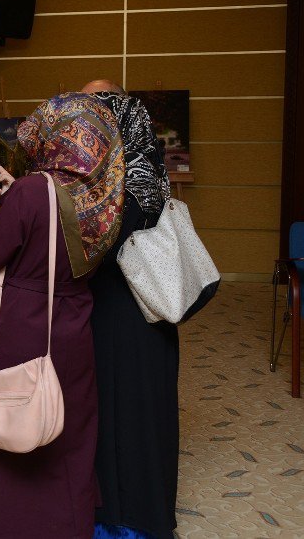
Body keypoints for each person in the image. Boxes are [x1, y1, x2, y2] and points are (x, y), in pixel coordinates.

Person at [0, 92, 125, 538]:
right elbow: (56, 229)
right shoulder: (101, 196)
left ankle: (6, 521)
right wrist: (19, 192)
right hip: (73, 326)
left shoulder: (34, 192)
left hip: (25, 323)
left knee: (10, 412)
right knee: (66, 426)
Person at [80, 79, 179, 539]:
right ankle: (127, 513)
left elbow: (98, 242)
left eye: (96, 105)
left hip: (128, 311)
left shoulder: (122, 177)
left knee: (131, 416)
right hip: (128, 317)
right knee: (123, 415)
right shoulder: (146, 166)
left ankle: (129, 521)